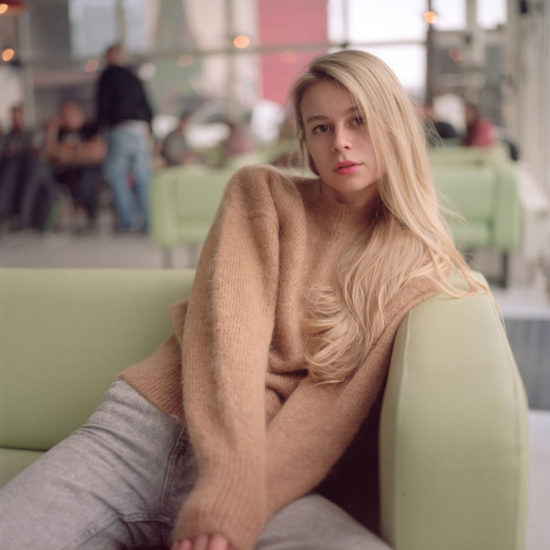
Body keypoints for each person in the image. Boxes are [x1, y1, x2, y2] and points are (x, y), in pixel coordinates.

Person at [0, 50, 486, 550]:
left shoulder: (413, 269)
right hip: (144, 433)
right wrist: (229, 487)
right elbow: (230, 341)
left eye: (358, 120)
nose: (340, 141)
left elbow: (327, 408)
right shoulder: (263, 194)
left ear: (393, 124)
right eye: (320, 128)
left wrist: (237, 503)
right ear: (306, 142)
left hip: (268, 474)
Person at [95, 42, 154, 233]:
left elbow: (103, 105)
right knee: (143, 178)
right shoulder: (134, 76)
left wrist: (99, 131)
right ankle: (147, 221)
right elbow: (147, 105)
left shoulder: (108, 76)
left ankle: (127, 221)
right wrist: (151, 131)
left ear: (111, 55)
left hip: (120, 130)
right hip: (140, 130)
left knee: (114, 175)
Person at [45, 100, 106, 231]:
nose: (67, 118)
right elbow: (51, 153)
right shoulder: (61, 132)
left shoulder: (90, 128)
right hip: (67, 170)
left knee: (86, 181)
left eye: (70, 114)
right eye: (64, 115)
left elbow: (97, 151)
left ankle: (90, 215)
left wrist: (72, 152)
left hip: (89, 168)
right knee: (51, 180)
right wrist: (52, 130)